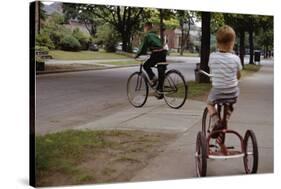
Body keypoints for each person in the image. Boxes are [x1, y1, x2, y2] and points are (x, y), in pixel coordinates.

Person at [207, 25, 242, 153]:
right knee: (231, 102)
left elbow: (212, 70)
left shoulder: (212, 57)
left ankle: (216, 120)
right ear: (232, 43)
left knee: (209, 104)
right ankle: (225, 119)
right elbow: (238, 75)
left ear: (217, 43)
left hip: (218, 91)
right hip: (232, 92)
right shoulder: (236, 58)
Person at [135, 22, 167, 99]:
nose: (144, 29)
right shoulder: (155, 35)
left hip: (156, 54)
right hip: (163, 53)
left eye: (144, 28)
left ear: (146, 27)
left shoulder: (147, 35)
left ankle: (153, 77)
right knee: (161, 70)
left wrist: (137, 54)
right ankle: (160, 91)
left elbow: (143, 48)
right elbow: (159, 44)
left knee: (146, 65)